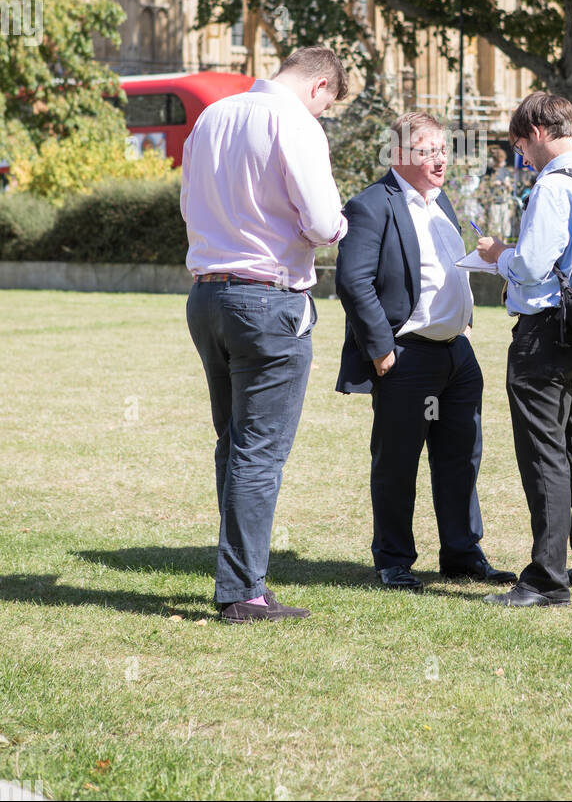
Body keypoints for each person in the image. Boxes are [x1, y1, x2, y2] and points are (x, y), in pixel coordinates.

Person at [181, 46, 348, 624]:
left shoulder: (212, 116)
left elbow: (190, 203)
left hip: (208, 293)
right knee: (259, 452)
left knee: (233, 443)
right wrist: (332, 223)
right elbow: (325, 223)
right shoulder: (295, 122)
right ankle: (242, 591)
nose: (323, 114)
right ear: (320, 86)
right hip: (268, 297)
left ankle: (239, 579)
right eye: (328, 105)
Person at [335, 110, 517, 592]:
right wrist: (380, 351)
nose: (440, 160)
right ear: (398, 155)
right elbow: (352, 282)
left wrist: (468, 323)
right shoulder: (371, 205)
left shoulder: (442, 203)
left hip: (457, 357)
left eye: (443, 149)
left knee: (461, 459)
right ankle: (393, 560)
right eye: (428, 151)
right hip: (405, 357)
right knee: (397, 463)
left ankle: (462, 554)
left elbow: (450, 268)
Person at [477, 92, 572, 608]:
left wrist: (498, 256)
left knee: (544, 454)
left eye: (520, 147)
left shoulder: (555, 185)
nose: (521, 158)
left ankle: (545, 579)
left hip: (545, 331)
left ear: (537, 130)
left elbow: (534, 265)